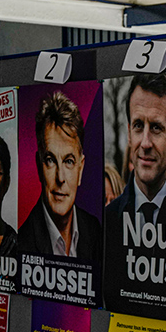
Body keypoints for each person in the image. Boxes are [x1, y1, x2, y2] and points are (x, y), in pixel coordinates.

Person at [104, 73, 166, 325]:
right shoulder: (106, 222)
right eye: (139, 126)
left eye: (157, 128)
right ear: (129, 133)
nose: (146, 142)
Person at [18, 91, 101, 261]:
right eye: (50, 160)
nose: (60, 177)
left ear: (81, 169)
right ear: (38, 165)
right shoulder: (21, 243)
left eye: (69, 161)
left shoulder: (94, 231)